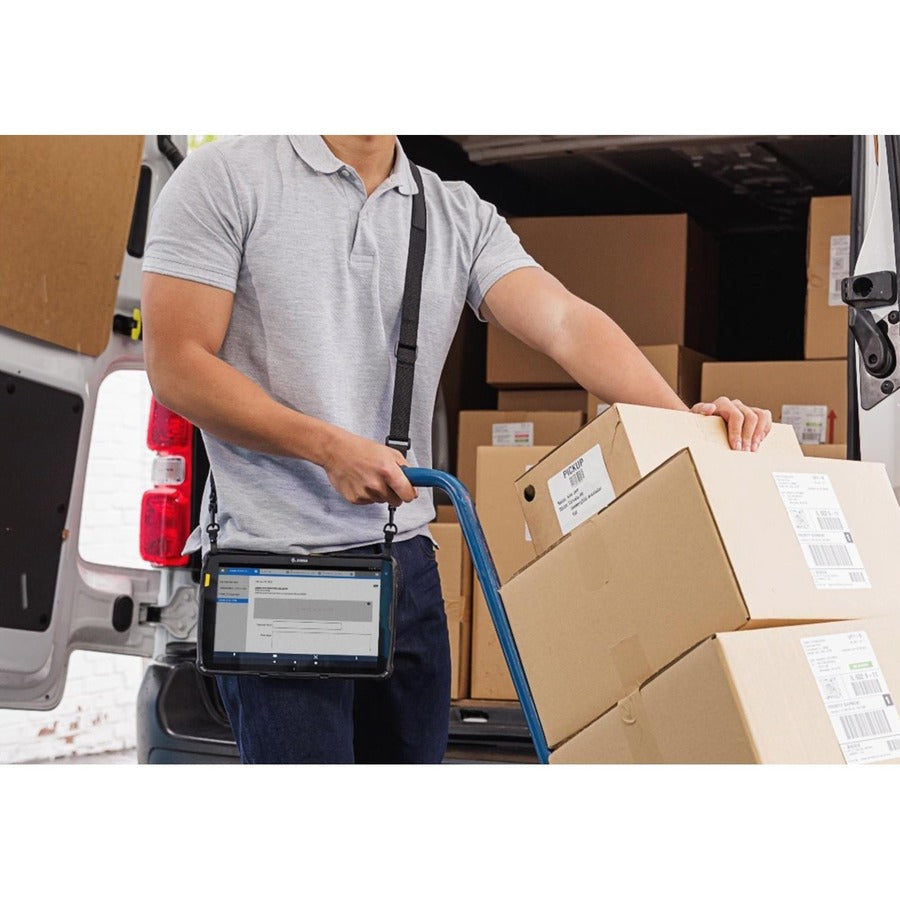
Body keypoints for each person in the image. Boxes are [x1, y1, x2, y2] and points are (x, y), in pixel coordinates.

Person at [140, 134, 772, 764]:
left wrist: (682, 421)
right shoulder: (225, 178)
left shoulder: (455, 212)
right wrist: (329, 448)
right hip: (275, 566)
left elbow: (564, 323)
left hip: (404, 563)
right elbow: (177, 365)